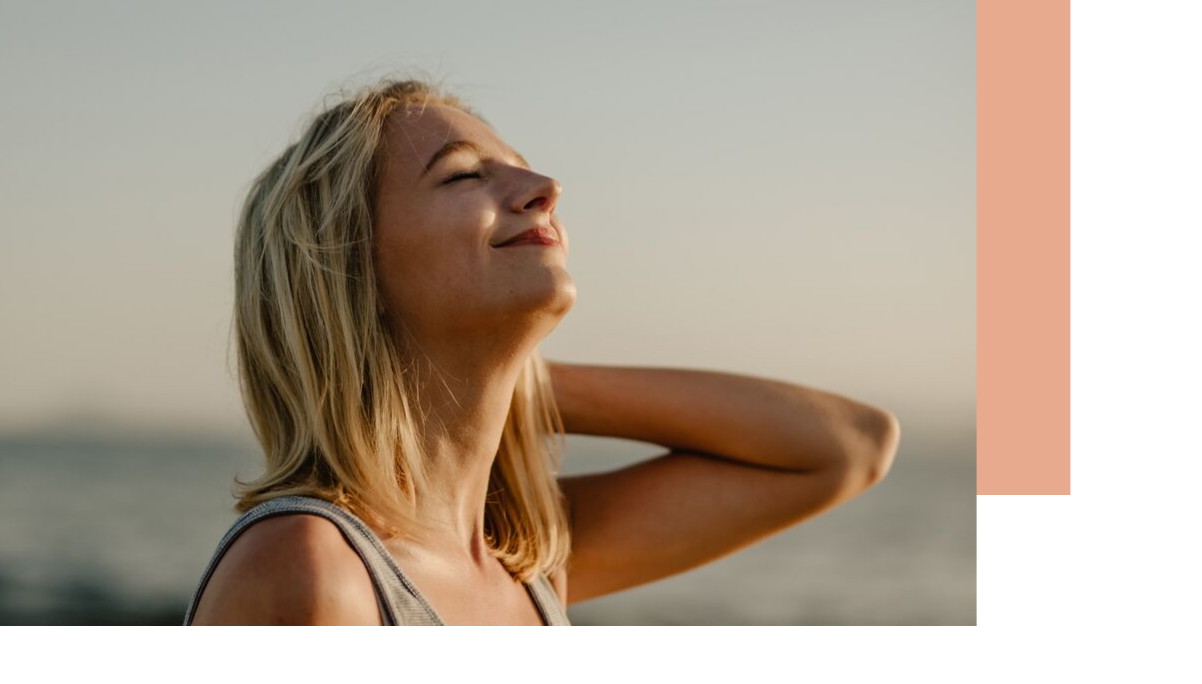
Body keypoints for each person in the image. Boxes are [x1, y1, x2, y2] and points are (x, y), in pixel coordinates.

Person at [184, 76, 900, 626]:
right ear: (349, 268)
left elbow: (849, 445)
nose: (545, 190)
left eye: (521, 168)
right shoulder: (309, 569)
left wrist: (503, 383)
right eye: (464, 174)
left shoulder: (526, 562)